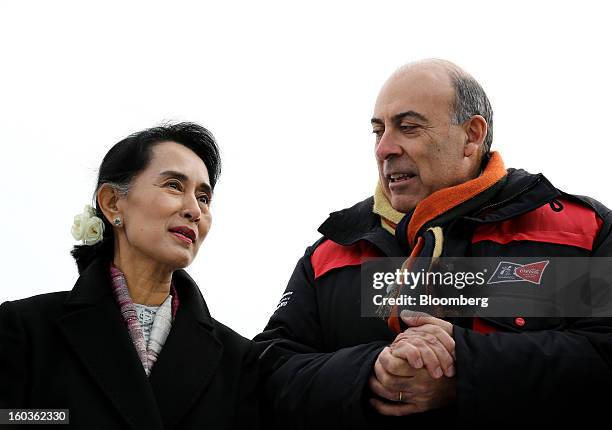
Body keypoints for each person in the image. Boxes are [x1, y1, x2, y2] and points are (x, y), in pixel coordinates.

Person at [255, 60, 612, 427]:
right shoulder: (330, 255)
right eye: (378, 131)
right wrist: (369, 373)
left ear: (472, 136)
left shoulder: (579, 230)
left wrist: (468, 366)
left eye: (407, 128)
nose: (384, 149)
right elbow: (268, 370)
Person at [0, 123, 259, 429]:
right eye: (174, 185)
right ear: (112, 203)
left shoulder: (239, 360)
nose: (194, 210)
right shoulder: (26, 330)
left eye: (204, 198)